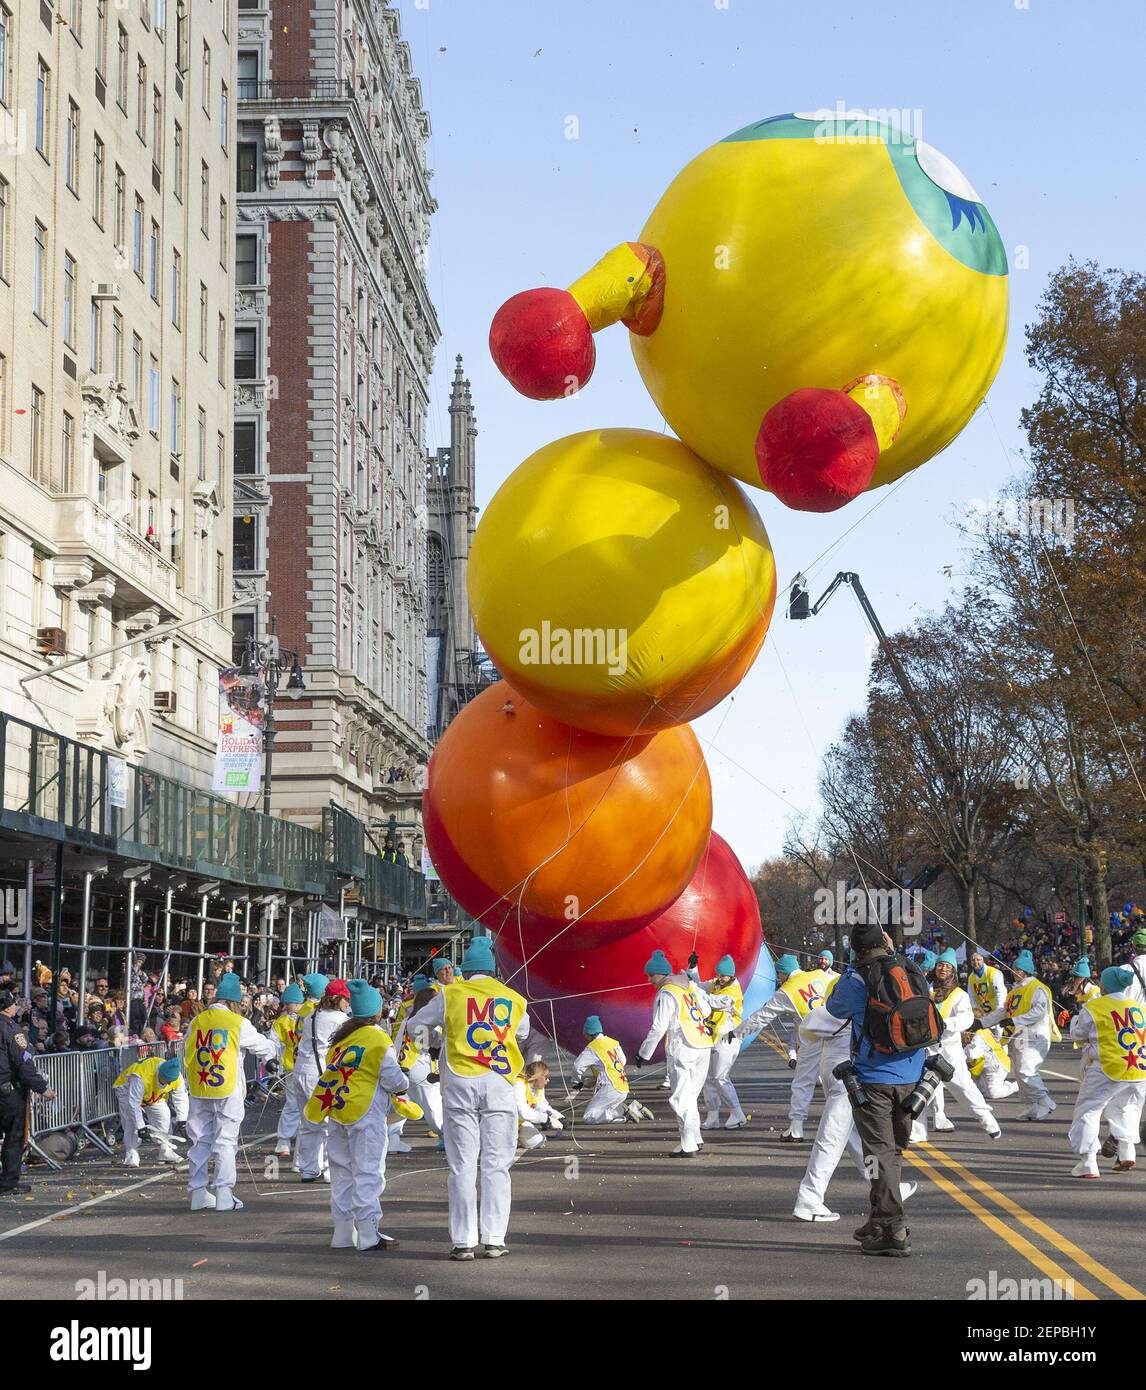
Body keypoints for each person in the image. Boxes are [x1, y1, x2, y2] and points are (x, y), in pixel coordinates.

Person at [406, 934, 530, 1260]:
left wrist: (432, 1045)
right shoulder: (513, 998)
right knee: (497, 1164)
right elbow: (523, 1033)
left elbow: (415, 1024)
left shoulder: (451, 994)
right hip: (499, 1081)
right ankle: (494, 1238)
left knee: (462, 1165)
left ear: (466, 969)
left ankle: (463, 1242)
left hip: (459, 1080)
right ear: (492, 970)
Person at [823, 925, 932, 1258]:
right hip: (913, 1075)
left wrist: (850, 969)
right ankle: (878, 1221)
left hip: (874, 1078)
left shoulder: (857, 979)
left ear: (857, 951)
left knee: (878, 1154)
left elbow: (833, 1008)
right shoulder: (912, 970)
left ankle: (894, 1228)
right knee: (891, 1154)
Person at [305, 979, 410, 1250]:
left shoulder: (341, 1038)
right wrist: (404, 1083)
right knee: (368, 1172)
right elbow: (392, 1079)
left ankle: (342, 1232)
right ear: (376, 1011)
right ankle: (367, 1233)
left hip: (338, 1109)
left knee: (341, 1172)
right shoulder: (378, 1037)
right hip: (366, 1111)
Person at [183, 972, 276, 1212]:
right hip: (227, 1085)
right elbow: (262, 1046)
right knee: (225, 1140)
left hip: (200, 1084)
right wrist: (271, 1056)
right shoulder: (238, 1022)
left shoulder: (198, 1021)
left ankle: (198, 1193)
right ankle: (224, 1193)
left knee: (199, 1139)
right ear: (234, 1001)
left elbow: (186, 1047)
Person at [738, 952, 831, 1141]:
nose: (778, 978)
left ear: (784, 973)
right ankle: (840, 1129)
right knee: (837, 1086)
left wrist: (738, 1031)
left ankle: (796, 1129)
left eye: (779, 974)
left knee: (802, 1084)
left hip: (813, 1040)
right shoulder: (820, 975)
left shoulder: (786, 991)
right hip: (837, 1035)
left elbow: (761, 1017)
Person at [634, 949, 716, 1157]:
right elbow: (707, 1010)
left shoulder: (667, 992)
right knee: (691, 1095)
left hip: (683, 1046)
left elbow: (659, 1026)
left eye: (651, 975)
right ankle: (695, 1138)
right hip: (703, 1043)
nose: (649, 979)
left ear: (660, 974)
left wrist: (644, 1053)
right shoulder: (686, 988)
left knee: (681, 1097)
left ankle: (688, 1142)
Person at [913, 949, 1001, 1141]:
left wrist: (945, 1024)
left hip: (949, 1053)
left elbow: (967, 1018)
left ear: (953, 970)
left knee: (965, 1091)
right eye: (940, 965)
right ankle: (918, 1131)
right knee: (921, 1090)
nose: (943, 969)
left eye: (947, 966)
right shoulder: (927, 991)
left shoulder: (959, 994)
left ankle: (987, 1119)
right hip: (927, 1050)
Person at [1067, 967, 1146, 1178]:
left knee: (1088, 1111)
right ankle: (1127, 1150)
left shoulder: (1095, 1007)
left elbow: (1077, 1034)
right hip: (1139, 1068)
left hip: (1108, 1067)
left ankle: (1088, 1161)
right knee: (1127, 1108)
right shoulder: (1138, 1007)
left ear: (1105, 985)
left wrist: (1074, 1019)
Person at [980, 949, 1056, 1121]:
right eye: (1014, 969)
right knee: (1019, 1072)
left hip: (1035, 1035)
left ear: (1026, 971)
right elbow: (1003, 1012)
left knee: (1026, 1070)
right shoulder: (1015, 991)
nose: (1015, 972)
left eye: (1018, 970)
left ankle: (1045, 1101)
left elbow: (1039, 1011)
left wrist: (1014, 1021)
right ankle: (1032, 1105)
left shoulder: (1037, 988)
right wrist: (982, 1023)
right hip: (1019, 1037)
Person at [0, 989, 56, 1195]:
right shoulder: (12, 1030)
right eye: (14, 1003)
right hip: (8, 1093)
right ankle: (7, 1183)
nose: (17, 1006)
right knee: (14, 1138)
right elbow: (24, 1063)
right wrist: (42, 1088)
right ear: (8, 1006)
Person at [295, 979, 352, 1182]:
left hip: (301, 1069)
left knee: (309, 1123)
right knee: (330, 1123)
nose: (348, 1003)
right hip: (321, 1075)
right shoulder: (340, 1019)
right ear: (337, 999)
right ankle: (330, 1169)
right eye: (346, 999)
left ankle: (309, 1168)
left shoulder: (312, 1014)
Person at [690, 953, 747, 1130]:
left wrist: (692, 987)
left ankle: (738, 1114)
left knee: (721, 1077)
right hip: (713, 1036)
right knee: (708, 1077)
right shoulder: (716, 983)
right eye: (718, 975)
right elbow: (700, 987)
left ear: (731, 975)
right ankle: (712, 1115)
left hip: (728, 1038)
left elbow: (712, 1001)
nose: (720, 979)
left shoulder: (733, 991)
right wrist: (693, 969)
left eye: (723, 976)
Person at [391, 983, 444, 1153]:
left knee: (401, 1105)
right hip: (420, 1066)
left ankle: (392, 1139)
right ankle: (448, 1136)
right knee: (433, 1106)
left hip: (402, 1067)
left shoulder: (408, 1019)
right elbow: (428, 1042)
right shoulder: (425, 1022)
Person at [113, 1055, 187, 1166]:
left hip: (153, 1094)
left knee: (164, 1116)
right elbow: (134, 1104)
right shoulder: (141, 1076)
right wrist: (141, 1127)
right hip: (126, 1090)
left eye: (170, 1082)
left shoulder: (176, 1077)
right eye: (165, 1081)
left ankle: (165, 1150)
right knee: (130, 1121)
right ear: (159, 1074)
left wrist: (182, 1119)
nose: (168, 1084)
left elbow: (181, 1096)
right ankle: (131, 1153)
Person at [573, 1015, 646, 1123]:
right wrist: (600, 1075)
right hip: (623, 1086)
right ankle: (633, 1109)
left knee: (589, 1117)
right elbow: (623, 1061)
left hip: (609, 1087)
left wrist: (576, 1082)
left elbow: (577, 1066)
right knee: (604, 1110)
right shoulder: (613, 1042)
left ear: (588, 1034)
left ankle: (621, 1112)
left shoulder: (593, 1047)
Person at [271, 983, 305, 1159]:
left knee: (299, 1106)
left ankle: (292, 1142)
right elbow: (273, 1043)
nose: (288, 1007)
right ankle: (283, 1141)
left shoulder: (308, 1017)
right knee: (294, 1104)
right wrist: (273, 1060)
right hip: (293, 1068)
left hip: (305, 1067)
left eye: (290, 1003)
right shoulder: (282, 1022)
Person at [514, 1060, 564, 1152]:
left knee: (537, 1142)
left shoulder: (539, 1088)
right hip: (507, 1122)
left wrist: (559, 1117)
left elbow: (542, 1106)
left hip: (520, 1123)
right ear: (538, 1076)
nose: (548, 1080)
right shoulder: (519, 1085)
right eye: (546, 1077)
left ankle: (518, 1137)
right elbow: (522, 1112)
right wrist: (546, 1119)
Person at [962, 1028, 1019, 1100]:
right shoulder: (982, 1031)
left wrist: (962, 1051)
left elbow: (972, 1054)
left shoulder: (978, 1035)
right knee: (978, 1092)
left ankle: (1017, 1085)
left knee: (994, 1093)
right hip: (987, 1065)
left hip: (996, 1066)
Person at [967, 948, 1007, 1027]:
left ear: (983, 960)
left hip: (997, 1012)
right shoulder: (971, 978)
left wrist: (998, 1012)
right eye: (973, 960)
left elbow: (1000, 993)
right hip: (983, 1014)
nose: (975, 962)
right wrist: (976, 1010)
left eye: (978, 959)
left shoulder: (993, 973)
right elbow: (971, 996)